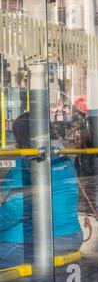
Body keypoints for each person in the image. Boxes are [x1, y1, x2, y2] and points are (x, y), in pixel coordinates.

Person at [0, 112, 82, 270]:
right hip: (72, 235)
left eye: (17, 137)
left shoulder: (27, 165)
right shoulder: (63, 159)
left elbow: (16, 211)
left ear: (23, 138)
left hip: (34, 242)